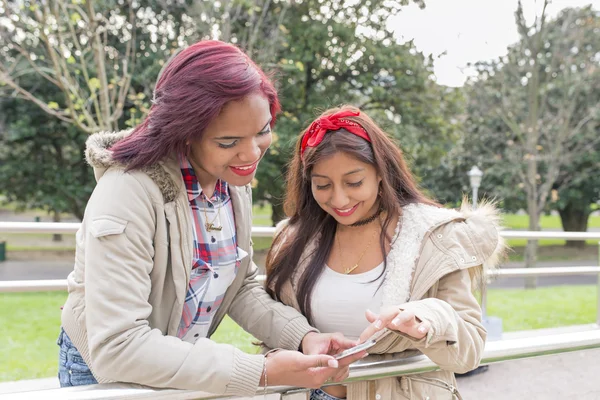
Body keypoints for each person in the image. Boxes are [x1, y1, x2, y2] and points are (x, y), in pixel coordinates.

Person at [58, 41, 364, 397]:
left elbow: (239, 286)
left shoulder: (232, 184)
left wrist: (304, 337)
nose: (251, 154)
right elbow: (118, 346)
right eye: (228, 141)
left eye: (262, 131)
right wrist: (261, 372)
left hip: (179, 362)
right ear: (184, 132)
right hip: (104, 373)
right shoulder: (127, 193)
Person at [266, 106, 505, 400]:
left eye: (354, 182)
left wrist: (424, 321)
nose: (339, 199)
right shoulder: (292, 241)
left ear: (381, 172)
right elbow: (271, 330)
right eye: (322, 185)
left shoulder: (433, 237)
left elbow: (469, 350)